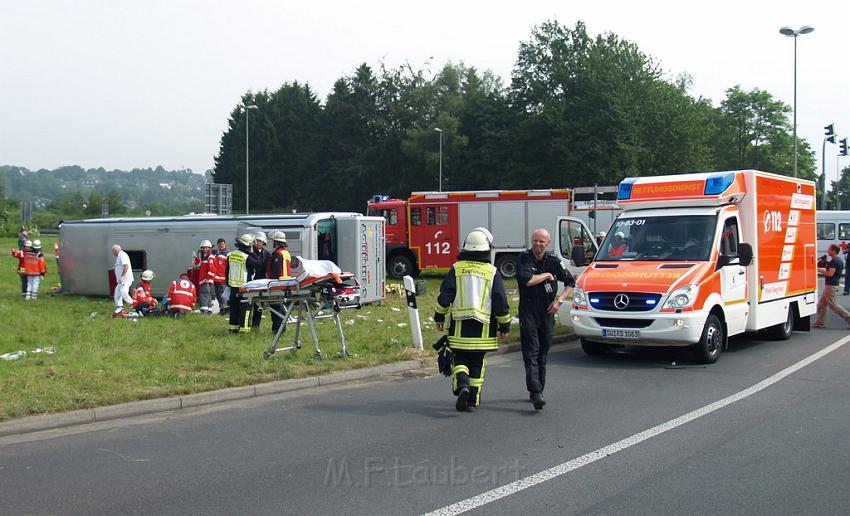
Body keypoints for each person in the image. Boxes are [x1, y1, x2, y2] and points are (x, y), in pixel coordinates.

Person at [434, 229, 511, 413]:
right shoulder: (492, 272)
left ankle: (463, 386)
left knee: (460, 359)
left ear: (466, 248)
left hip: (460, 329)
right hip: (483, 331)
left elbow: (446, 296)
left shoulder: (456, 269)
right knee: (477, 364)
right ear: (487, 250)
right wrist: (505, 325)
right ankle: (472, 402)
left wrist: (439, 317)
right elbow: (500, 301)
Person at [517, 228, 575, 410]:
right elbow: (527, 280)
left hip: (547, 313)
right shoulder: (524, 258)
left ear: (547, 243)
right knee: (531, 352)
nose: (537, 244)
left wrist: (559, 300)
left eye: (541, 241)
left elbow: (571, 283)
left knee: (543, 352)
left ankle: (539, 388)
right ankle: (535, 392)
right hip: (529, 312)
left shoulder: (553, 261)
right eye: (535, 240)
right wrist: (546, 276)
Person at [814, 243, 850, 328]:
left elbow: (830, 273)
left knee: (833, 305)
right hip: (831, 285)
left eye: (829, 249)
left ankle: (848, 317)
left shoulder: (834, 261)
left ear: (834, 251)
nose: (828, 251)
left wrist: (818, 270)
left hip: (831, 285)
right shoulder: (838, 260)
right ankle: (820, 322)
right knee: (821, 304)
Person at [226, 233, 254, 333]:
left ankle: (232, 329)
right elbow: (258, 264)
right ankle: (244, 330)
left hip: (233, 287)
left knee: (234, 309)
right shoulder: (247, 257)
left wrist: (228, 284)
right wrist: (252, 252)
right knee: (245, 309)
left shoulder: (230, 255)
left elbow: (227, 271)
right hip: (244, 287)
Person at [266, 231, 292, 334]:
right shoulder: (286, 253)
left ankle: (277, 330)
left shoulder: (277, 254)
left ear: (276, 242)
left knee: (275, 308)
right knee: (280, 307)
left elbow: (276, 270)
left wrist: (272, 283)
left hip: (277, 284)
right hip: (285, 284)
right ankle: (281, 329)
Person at [247, 231, 270, 328]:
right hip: (251, 282)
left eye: (260, 241)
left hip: (261, 282)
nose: (258, 243)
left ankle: (256, 325)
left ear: (263, 242)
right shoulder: (249, 252)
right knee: (248, 305)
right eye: (256, 241)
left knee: (259, 306)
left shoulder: (267, 253)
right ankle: (246, 324)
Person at [112, 244, 134, 316]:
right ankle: (120, 307)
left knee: (124, 292)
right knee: (117, 293)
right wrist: (116, 268)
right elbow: (121, 266)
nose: (113, 253)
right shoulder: (119, 256)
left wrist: (122, 276)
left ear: (116, 250)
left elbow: (126, 266)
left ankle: (134, 305)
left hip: (125, 279)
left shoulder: (122, 255)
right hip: (121, 280)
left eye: (113, 251)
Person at [195, 240, 215, 314]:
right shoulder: (205, 257)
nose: (205, 249)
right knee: (208, 296)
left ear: (210, 248)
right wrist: (196, 258)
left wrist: (207, 278)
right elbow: (199, 265)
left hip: (205, 281)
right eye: (203, 248)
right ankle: (209, 310)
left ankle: (204, 311)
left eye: (206, 248)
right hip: (207, 280)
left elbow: (212, 269)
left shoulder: (210, 257)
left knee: (204, 295)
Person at [211, 238, 229, 312]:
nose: (221, 246)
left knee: (222, 293)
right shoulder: (215, 253)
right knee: (216, 293)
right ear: (217, 245)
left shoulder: (227, 254)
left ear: (225, 244)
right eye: (219, 244)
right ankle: (219, 308)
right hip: (215, 278)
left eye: (222, 244)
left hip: (222, 278)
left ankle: (223, 308)